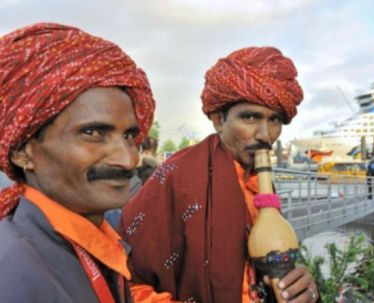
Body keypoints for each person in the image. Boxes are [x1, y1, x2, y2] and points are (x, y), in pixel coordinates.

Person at [121, 47, 319, 302]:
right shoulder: (177, 176)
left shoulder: (259, 183)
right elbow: (126, 283)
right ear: (218, 119)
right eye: (249, 117)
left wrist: (302, 287)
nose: (265, 135)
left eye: (275, 120)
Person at [0, 23, 155, 302]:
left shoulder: (89, 239)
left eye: (130, 136)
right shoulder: (15, 274)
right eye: (94, 133)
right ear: (23, 152)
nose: (128, 158)